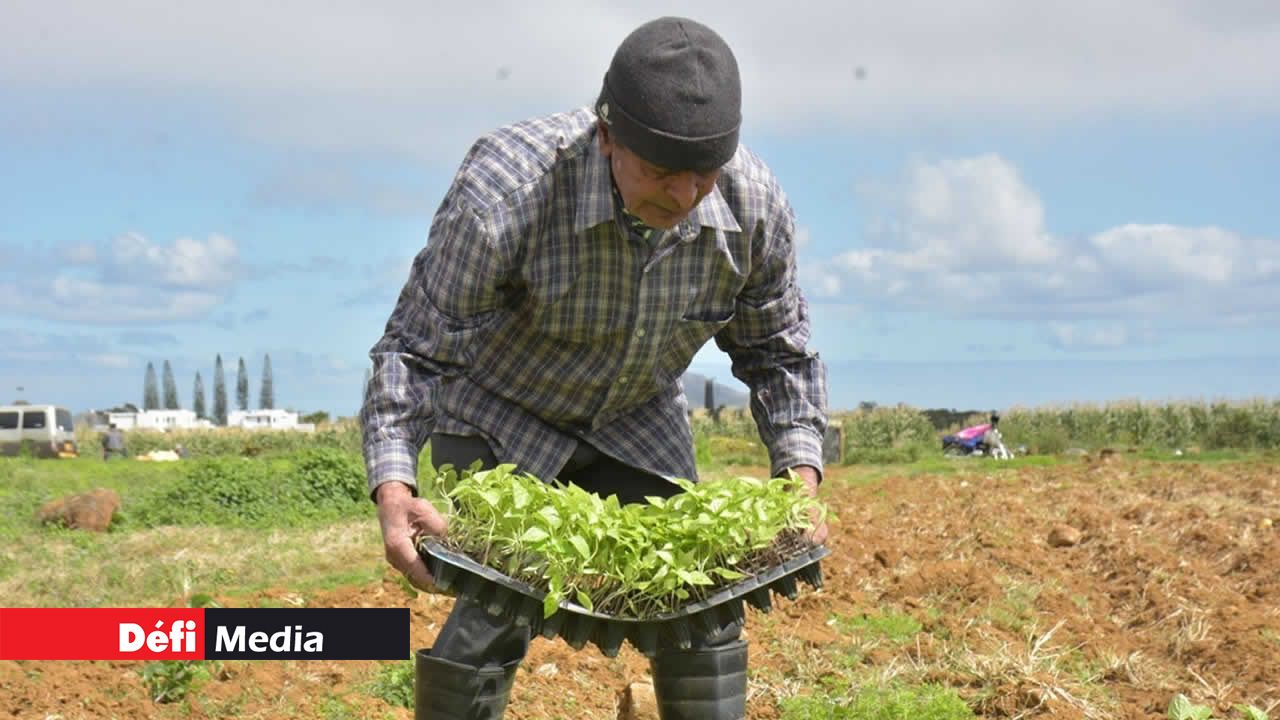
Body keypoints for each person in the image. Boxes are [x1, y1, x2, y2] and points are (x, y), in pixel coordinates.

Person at [361, 16, 828, 720]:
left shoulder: (752, 204)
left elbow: (778, 351)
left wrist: (800, 482)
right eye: (663, 174)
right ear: (608, 135)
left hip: (635, 414)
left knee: (701, 603)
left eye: (703, 175)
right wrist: (394, 490)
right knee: (498, 600)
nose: (684, 198)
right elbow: (417, 348)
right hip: (499, 406)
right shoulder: (509, 188)